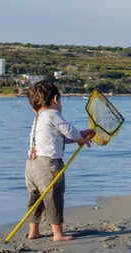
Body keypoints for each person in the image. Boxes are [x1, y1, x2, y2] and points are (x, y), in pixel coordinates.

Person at [25, 81, 95, 241]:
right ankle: (58, 234)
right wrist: (79, 138)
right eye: (60, 101)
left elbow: (58, 138)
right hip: (48, 164)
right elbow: (68, 130)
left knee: (36, 199)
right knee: (53, 197)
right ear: (55, 99)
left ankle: (33, 231)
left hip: (31, 164)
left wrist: (80, 136)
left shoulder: (38, 118)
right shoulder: (52, 114)